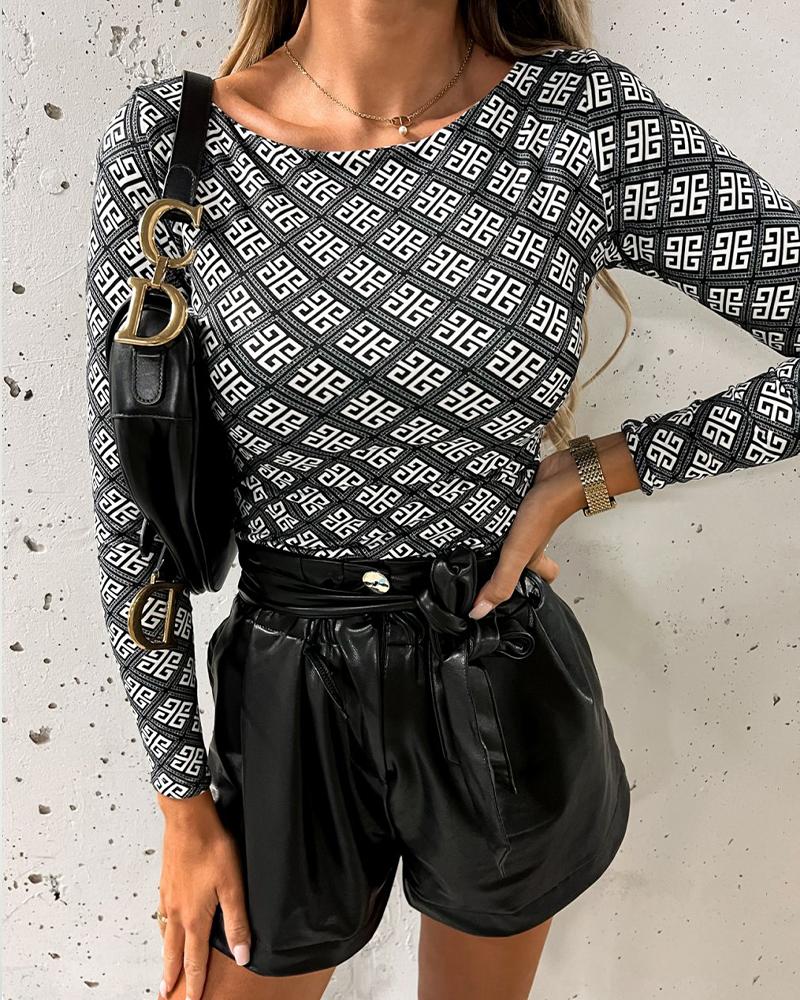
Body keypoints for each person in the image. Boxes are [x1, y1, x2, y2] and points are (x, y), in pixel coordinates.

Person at [83, 2, 800, 998]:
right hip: (283, 704)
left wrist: (592, 471)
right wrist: (180, 802)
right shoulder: (174, 145)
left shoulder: (580, 122)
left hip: (498, 688)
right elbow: (132, 504)